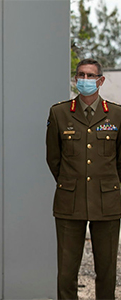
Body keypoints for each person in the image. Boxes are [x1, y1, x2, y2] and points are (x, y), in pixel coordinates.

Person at [46, 58, 121, 300]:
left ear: (100, 81)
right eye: (80, 75)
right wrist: (70, 182)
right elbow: (53, 158)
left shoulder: (117, 115)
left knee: (107, 271)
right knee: (67, 273)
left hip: (107, 203)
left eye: (90, 76)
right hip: (70, 201)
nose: (84, 80)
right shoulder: (59, 113)